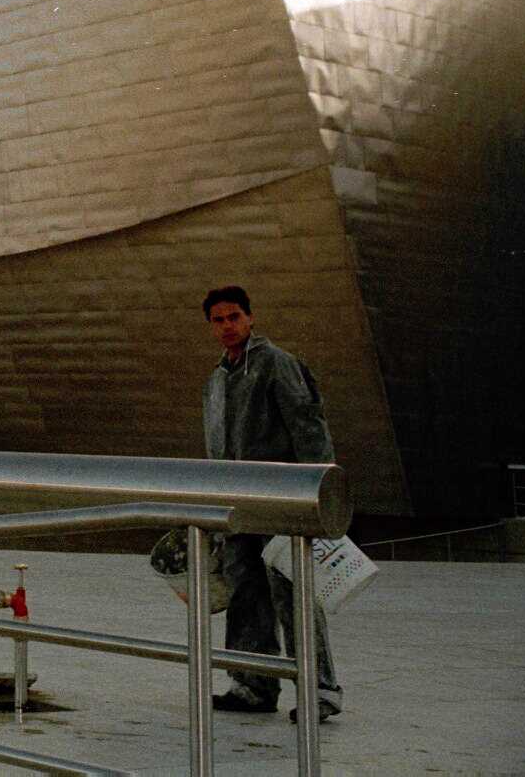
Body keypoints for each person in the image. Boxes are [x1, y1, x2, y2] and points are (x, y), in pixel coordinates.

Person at [201, 286, 343, 723]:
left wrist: (316, 497)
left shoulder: (276, 364)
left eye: (234, 317)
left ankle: (321, 690)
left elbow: (309, 429)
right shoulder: (217, 379)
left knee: (293, 595)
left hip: (281, 500)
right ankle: (252, 683)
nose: (228, 326)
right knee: (246, 593)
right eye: (219, 319)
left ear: (251, 317)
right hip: (239, 505)